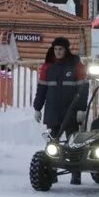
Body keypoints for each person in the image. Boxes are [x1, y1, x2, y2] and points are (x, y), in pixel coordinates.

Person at [34, 36, 89, 184]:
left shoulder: (76, 65)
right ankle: (50, 173)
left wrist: (81, 109)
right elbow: (42, 89)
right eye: (56, 49)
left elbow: (83, 89)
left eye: (61, 49)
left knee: (73, 144)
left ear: (66, 50)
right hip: (53, 111)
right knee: (52, 143)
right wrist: (37, 108)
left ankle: (75, 173)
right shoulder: (48, 66)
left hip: (70, 111)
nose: (58, 52)